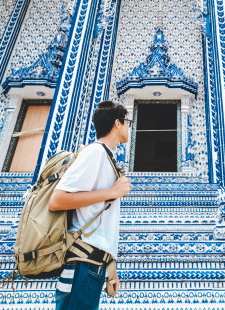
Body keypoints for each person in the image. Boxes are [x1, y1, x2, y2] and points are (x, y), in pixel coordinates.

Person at [48, 100, 132, 310]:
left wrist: (110, 266)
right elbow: (57, 200)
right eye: (127, 121)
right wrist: (112, 192)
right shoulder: (94, 152)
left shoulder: (106, 157)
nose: (129, 127)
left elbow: (99, 220)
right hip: (82, 264)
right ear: (117, 124)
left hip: (93, 263)